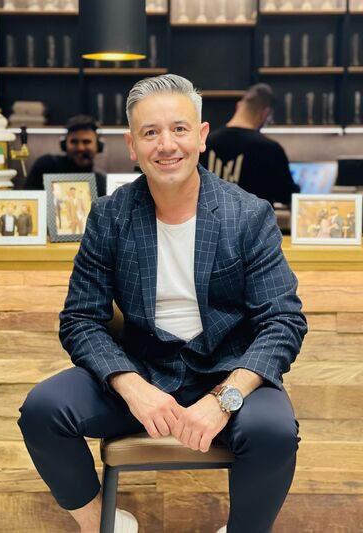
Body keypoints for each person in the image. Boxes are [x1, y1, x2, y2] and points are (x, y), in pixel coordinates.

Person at [18, 74, 307, 533]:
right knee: (43, 410)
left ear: (202, 136)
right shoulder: (109, 215)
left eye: (179, 129)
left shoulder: (248, 214)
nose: (166, 145)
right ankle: (103, 524)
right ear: (132, 145)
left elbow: (283, 321)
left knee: (274, 431)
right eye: (150, 132)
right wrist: (132, 387)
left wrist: (225, 398)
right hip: (141, 368)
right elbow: (80, 319)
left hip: (227, 370)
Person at [199, 83, 300, 206]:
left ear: (238, 106)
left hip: (210, 217)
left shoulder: (205, 143)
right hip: (256, 218)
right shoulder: (270, 149)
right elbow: (288, 197)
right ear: (265, 113)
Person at [24, 115, 107, 198]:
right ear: (64, 145)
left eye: (86, 142)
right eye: (74, 142)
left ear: (98, 146)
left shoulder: (101, 181)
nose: (80, 148)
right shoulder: (46, 166)